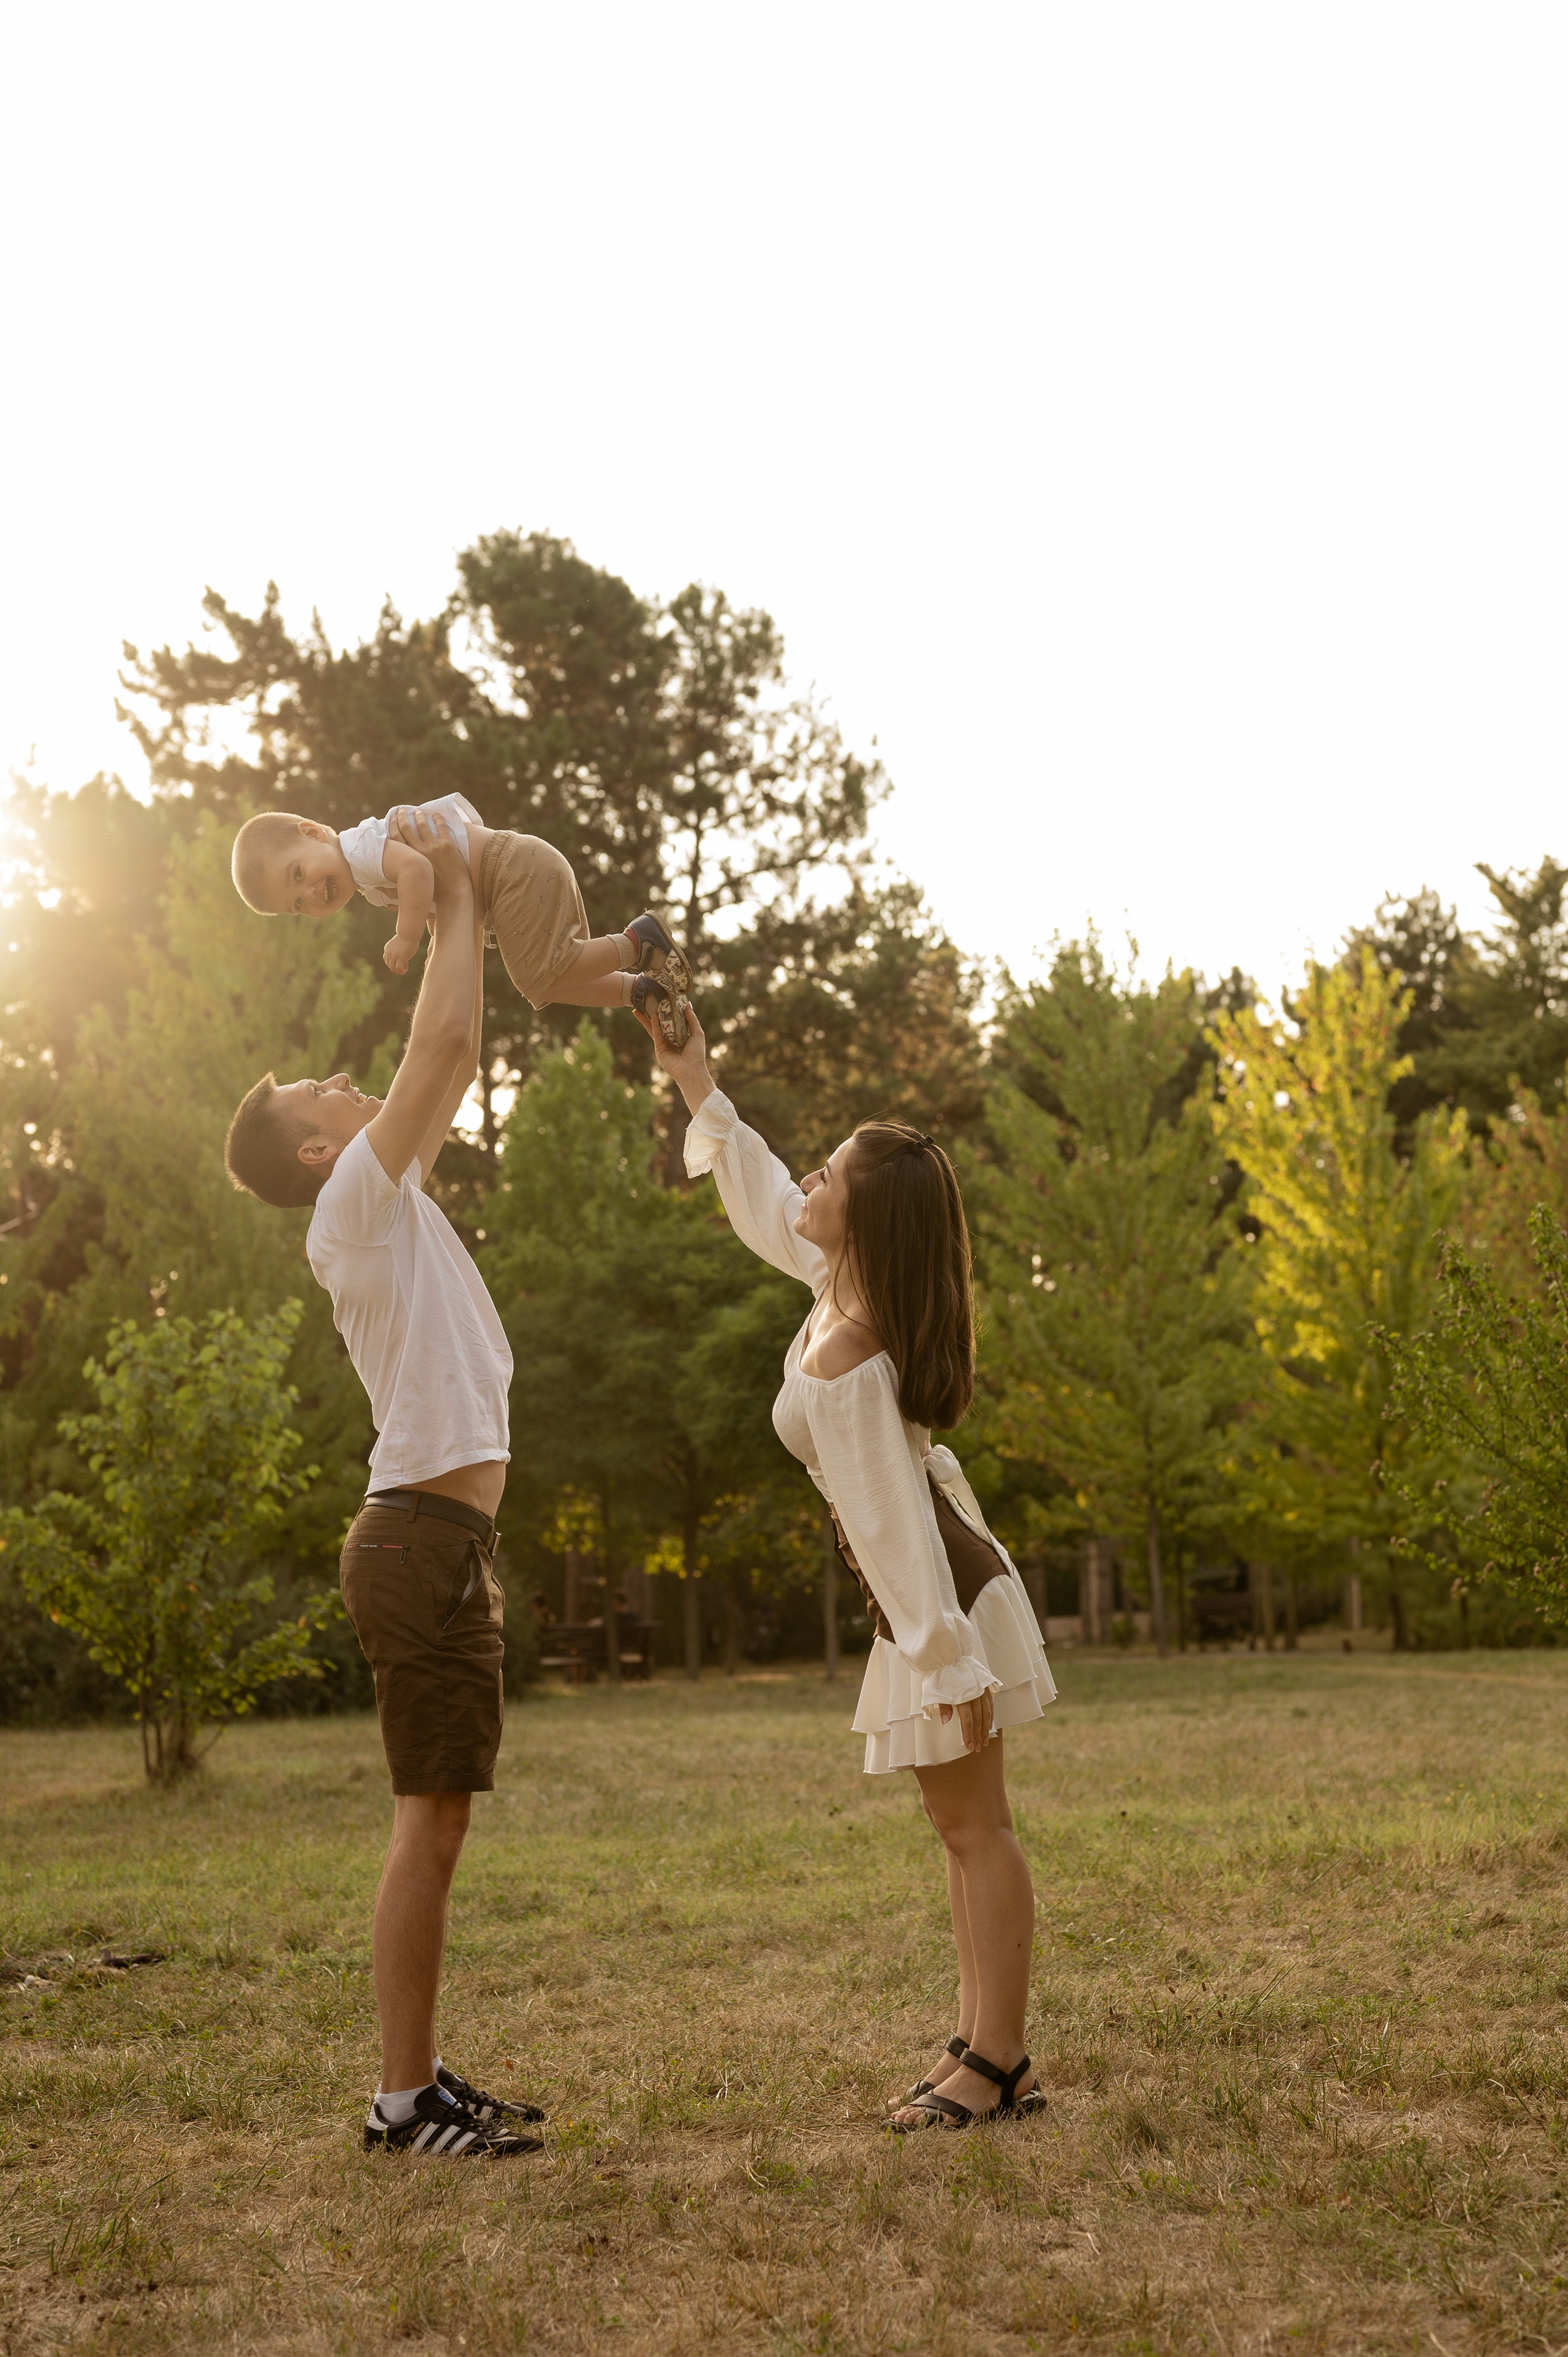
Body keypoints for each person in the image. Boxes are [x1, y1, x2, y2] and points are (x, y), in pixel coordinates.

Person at [639, 1000, 1057, 2131]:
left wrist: (943, 1658)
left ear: (860, 1217)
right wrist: (697, 1081)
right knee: (961, 1830)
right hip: (928, 1594)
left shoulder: (847, 1361)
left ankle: (1002, 2061)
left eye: (827, 1173)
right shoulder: (844, 1292)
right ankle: (978, 2044)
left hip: (937, 1595)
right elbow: (768, 1199)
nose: (807, 1182)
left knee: (978, 1829)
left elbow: (891, 1527)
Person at [224, 806, 543, 2160]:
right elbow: (448, 1042)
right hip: (415, 1540)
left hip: (438, 1541)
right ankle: (401, 2103)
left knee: (441, 1817)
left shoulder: (384, 1191)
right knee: (425, 1822)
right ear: (314, 1152)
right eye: (320, 1093)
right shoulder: (353, 1199)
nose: (345, 1087)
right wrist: (456, 887)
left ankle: (415, 2082)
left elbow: (445, 1064)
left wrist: (453, 897)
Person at [228, 789, 691, 1041]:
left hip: (509, 870)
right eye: (297, 905)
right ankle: (644, 992)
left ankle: (640, 942)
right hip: (512, 878)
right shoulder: (365, 880)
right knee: (545, 983)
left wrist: (406, 938)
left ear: (312, 833)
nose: (310, 894)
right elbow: (434, 899)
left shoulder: (358, 849)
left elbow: (415, 871)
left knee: (540, 973)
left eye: (297, 875)